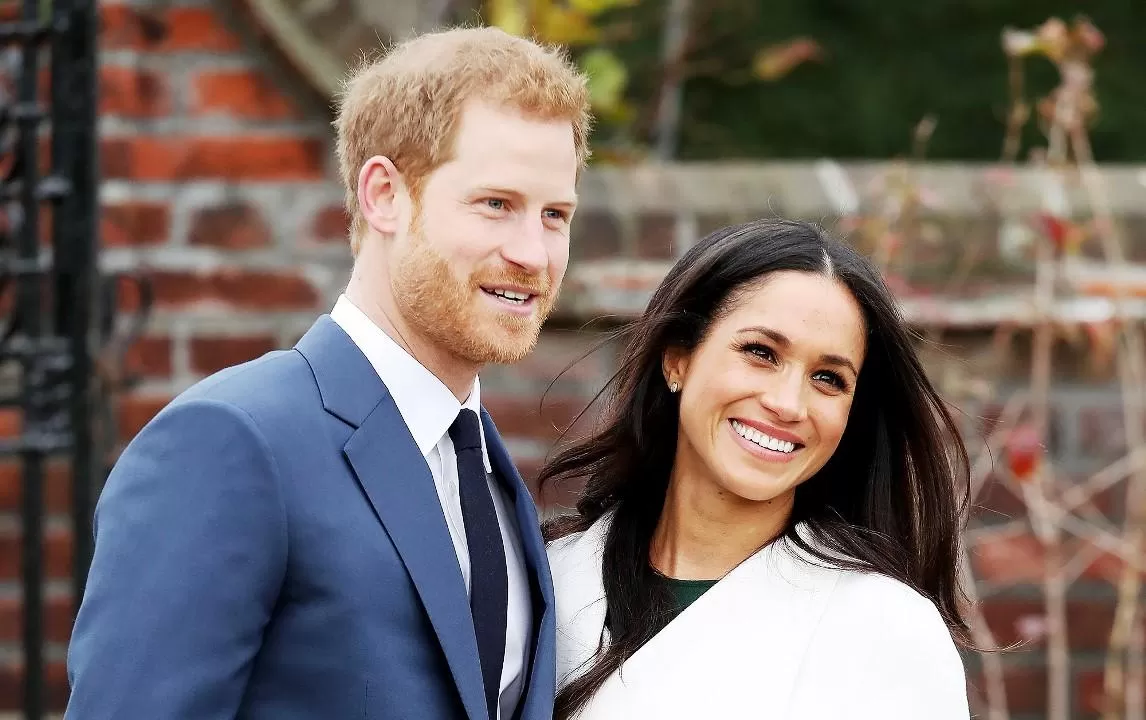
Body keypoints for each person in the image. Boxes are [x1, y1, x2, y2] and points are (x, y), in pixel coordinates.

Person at [65, 26, 591, 720]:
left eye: (555, 215)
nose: (534, 252)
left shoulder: (488, 473)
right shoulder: (232, 441)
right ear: (384, 195)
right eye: (496, 204)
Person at [542, 219, 973, 719]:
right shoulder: (547, 577)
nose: (788, 403)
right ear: (678, 358)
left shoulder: (883, 629)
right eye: (760, 353)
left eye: (829, 379)